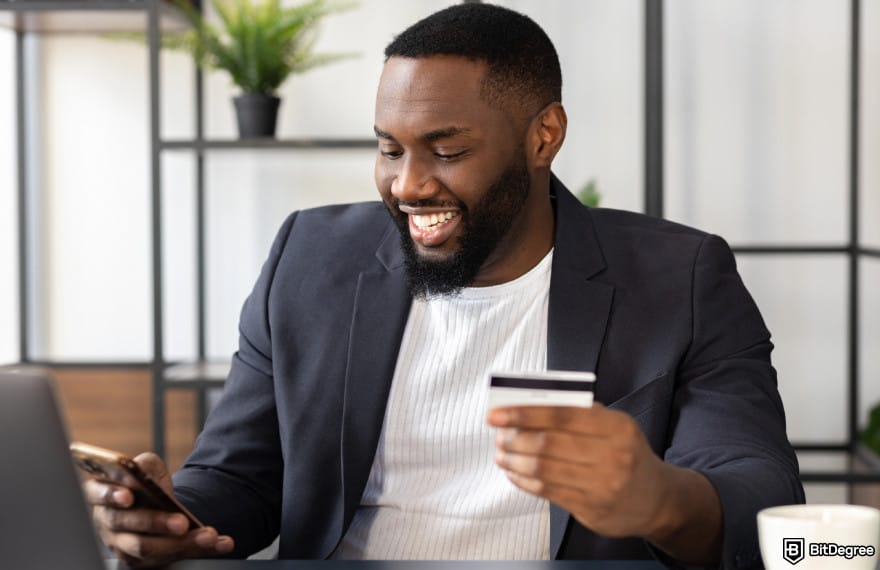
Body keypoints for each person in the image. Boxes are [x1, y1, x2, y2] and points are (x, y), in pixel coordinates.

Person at [85, 4, 804, 568]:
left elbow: (760, 491)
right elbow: (239, 478)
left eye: (448, 150)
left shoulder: (680, 277)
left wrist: (661, 500)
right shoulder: (309, 258)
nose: (408, 185)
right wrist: (169, 519)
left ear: (543, 135)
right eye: (389, 148)